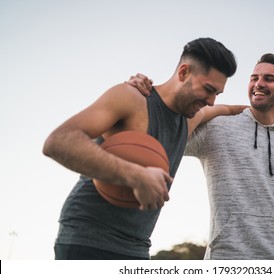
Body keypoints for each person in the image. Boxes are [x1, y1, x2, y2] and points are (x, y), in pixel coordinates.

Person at [42, 37, 239, 260]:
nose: (211, 101)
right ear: (183, 72)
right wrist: (136, 176)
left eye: (217, 94)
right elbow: (58, 141)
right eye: (208, 89)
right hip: (87, 239)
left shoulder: (190, 119)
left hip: (136, 247)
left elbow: (229, 109)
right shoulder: (131, 97)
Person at [130, 54, 274, 260]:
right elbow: (164, 134)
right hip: (227, 258)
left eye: (269, 79)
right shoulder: (217, 127)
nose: (259, 83)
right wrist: (143, 97)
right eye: (254, 78)